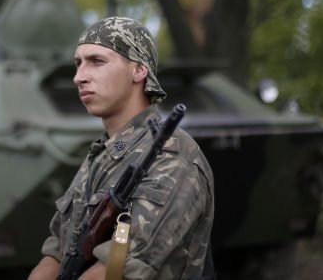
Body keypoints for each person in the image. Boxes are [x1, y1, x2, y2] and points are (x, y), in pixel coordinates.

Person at [28, 16, 215, 280]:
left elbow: (118, 269)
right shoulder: (102, 154)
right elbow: (57, 251)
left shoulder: (174, 154)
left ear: (139, 71)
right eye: (78, 64)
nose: (78, 77)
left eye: (97, 61)